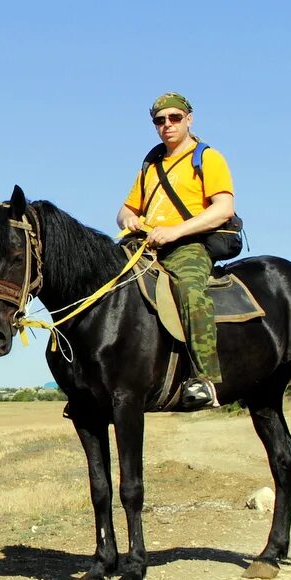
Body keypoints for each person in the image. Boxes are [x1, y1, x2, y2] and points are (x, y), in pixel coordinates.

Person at [116, 92, 236, 409]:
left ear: (188, 119)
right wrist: (130, 219)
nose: (167, 125)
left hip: (188, 244)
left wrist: (174, 231)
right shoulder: (151, 166)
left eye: (174, 118)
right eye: (160, 120)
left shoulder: (207, 157)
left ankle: (204, 380)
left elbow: (224, 209)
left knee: (190, 289)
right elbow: (125, 210)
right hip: (145, 244)